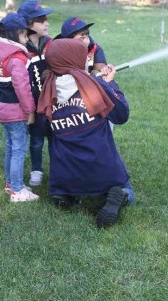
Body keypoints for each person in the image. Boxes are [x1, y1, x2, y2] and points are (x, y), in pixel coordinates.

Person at [37, 39, 135, 228]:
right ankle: (117, 194)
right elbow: (121, 115)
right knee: (128, 193)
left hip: (65, 173)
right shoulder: (94, 86)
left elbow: (42, 129)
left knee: (66, 179)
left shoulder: (47, 90)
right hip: (101, 167)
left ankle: (65, 195)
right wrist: (110, 84)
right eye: (84, 56)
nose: (89, 58)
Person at [0, 13, 39, 202]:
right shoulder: (17, 59)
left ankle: (11, 183)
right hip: (16, 112)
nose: (27, 39)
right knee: (19, 150)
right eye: (25, 35)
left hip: (2, 109)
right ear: (15, 34)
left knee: (11, 147)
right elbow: (23, 89)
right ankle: (18, 191)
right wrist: (30, 111)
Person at [17, 0, 54, 187]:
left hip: (53, 102)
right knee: (37, 140)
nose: (46, 23)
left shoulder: (50, 43)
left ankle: (58, 169)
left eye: (46, 19)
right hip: (33, 104)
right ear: (27, 24)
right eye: (41, 20)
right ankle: (36, 170)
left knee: (56, 138)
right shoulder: (21, 48)